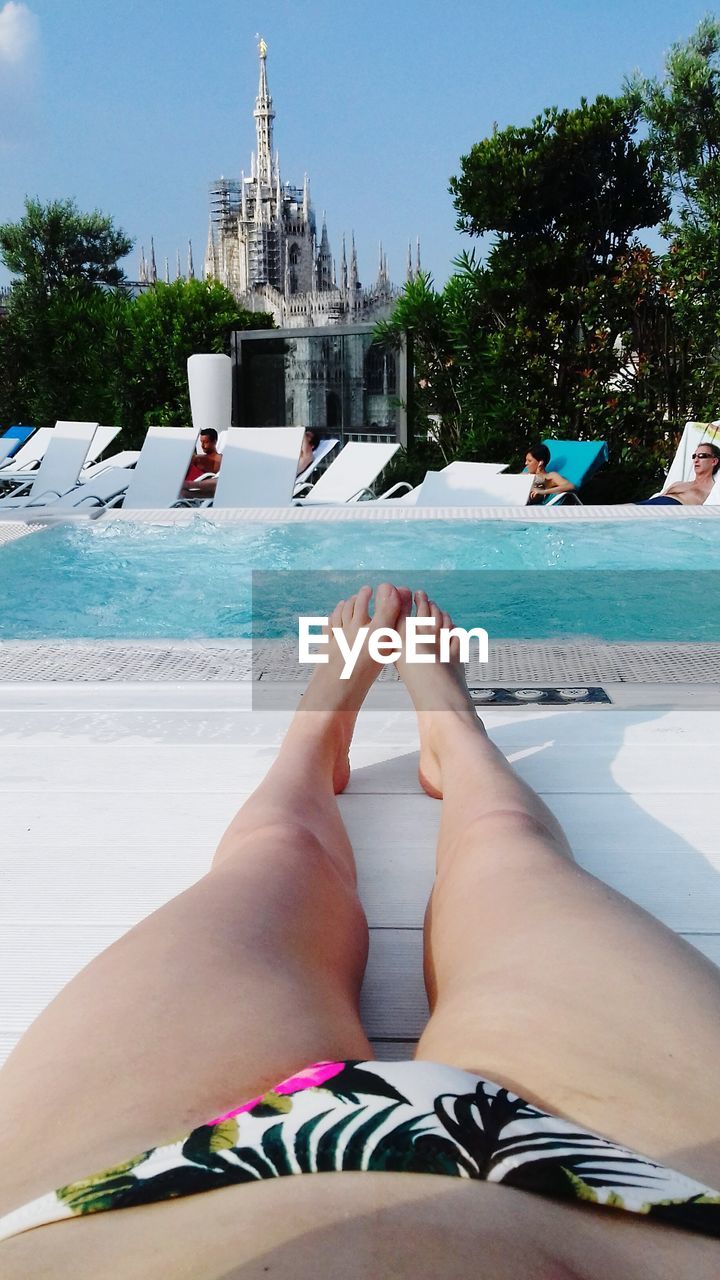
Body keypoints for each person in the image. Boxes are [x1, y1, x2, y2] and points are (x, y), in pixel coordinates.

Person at [1, 585, 719, 1279]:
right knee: (507, 844)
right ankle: (451, 735)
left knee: (279, 851)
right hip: (659, 1205)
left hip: (98, 1209)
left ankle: (316, 740)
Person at [638, 443, 720, 505]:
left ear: (714, 461)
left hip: (669, 512)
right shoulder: (678, 484)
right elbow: (657, 498)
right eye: (694, 456)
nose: (696, 460)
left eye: (701, 456)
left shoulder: (713, 491)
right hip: (648, 506)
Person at [181, 428, 222, 499]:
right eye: (201, 442)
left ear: (214, 442)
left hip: (213, 490)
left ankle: (189, 485)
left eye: (206, 442)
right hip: (196, 491)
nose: (202, 446)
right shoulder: (196, 459)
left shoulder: (222, 459)